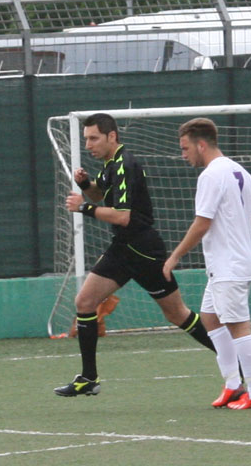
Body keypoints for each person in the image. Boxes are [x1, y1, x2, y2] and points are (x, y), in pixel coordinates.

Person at [56, 112, 217, 396]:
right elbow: (101, 196)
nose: (89, 144)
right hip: (123, 248)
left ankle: (234, 359)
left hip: (144, 251)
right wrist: (86, 186)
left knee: (177, 314)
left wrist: (83, 207)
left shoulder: (125, 165)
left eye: (94, 138)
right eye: (86, 139)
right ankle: (88, 378)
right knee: (85, 301)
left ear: (112, 136)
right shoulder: (109, 165)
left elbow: (122, 216)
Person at [162, 118, 251, 410]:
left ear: (201, 145)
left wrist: (174, 256)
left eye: (185, 148)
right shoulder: (239, 171)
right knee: (210, 318)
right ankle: (233, 385)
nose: (183, 155)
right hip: (229, 264)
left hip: (229, 264)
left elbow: (202, 223)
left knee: (238, 326)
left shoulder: (211, 176)